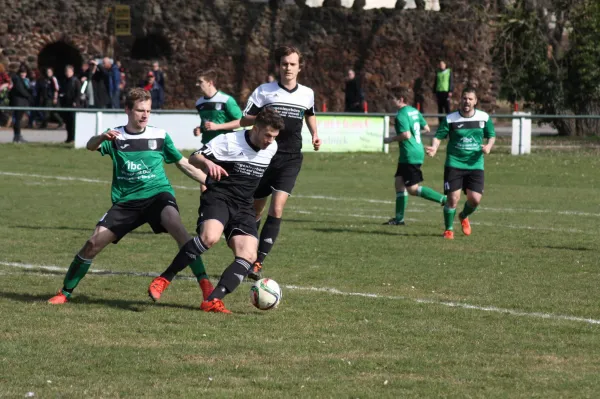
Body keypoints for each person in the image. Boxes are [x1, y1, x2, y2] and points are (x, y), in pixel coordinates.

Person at [48, 88, 214, 304]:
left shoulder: (160, 135)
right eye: (139, 110)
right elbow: (90, 146)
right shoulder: (115, 136)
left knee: (178, 228)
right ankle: (65, 292)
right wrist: (100, 137)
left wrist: (210, 183)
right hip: (127, 202)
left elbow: (183, 163)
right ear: (127, 110)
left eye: (148, 111)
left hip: (158, 195)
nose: (145, 115)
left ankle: (206, 287)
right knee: (92, 243)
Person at [147, 108, 284, 313]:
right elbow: (194, 158)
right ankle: (164, 279)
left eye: (274, 137)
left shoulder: (271, 148)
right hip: (219, 197)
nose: (270, 141)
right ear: (255, 128)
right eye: (267, 135)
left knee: (248, 256)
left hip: (244, 205)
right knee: (209, 237)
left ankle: (212, 300)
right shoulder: (229, 141)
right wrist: (208, 163)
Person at [241, 45, 321, 280]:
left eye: (292, 64)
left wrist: (315, 133)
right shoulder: (264, 91)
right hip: (264, 156)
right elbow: (246, 118)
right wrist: (262, 118)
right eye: (284, 63)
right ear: (279, 66)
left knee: (277, 207)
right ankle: (246, 254)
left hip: (290, 158)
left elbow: (310, 113)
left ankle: (257, 262)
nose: (288, 68)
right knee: (256, 209)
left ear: (299, 67)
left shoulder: (307, 93)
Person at [425, 87, 496, 240]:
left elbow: (491, 135)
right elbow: (438, 136)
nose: (467, 101)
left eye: (470, 99)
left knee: (475, 199)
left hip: (475, 164)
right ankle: (448, 230)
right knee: (452, 198)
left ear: (475, 101)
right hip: (454, 163)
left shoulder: (483, 117)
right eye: (464, 98)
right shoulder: (451, 119)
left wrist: (489, 146)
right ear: (460, 100)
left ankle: (463, 216)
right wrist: (435, 148)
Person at [383, 87, 446, 225]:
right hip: (414, 151)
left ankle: (444, 200)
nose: (390, 101)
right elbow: (426, 128)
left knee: (412, 189)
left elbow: (406, 135)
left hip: (409, 153)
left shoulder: (400, 115)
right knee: (399, 183)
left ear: (400, 99)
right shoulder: (414, 111)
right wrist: (416, 139)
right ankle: (399, 219)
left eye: (392, 98)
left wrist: (390, 139)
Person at [192, 68, 243, 192]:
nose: (197, 85)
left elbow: (241, 122)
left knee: (223, 184)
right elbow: (205, 123)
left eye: (200, 82)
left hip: (226, 147)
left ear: (210, 82)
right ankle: (205, 210)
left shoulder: (226, 100)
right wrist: (200, 129)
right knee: (204, 182)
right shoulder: (199, 103)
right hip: (209, 147)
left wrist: (218, 127)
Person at [9, 64, 33, 143]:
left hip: (22, 102)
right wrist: (29, 96)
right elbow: (20, 90)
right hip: (18, 102)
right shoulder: (17, 79)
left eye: (24, 72)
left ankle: (17, 136)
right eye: (22, 72)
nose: (23, 74)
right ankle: (17, 136)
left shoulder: (25, 80)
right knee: (17, 120)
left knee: (18, 119)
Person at [59, 65, 82, 143]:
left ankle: (73, 138)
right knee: (68, 122)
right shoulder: (65, 81)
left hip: (73, 105)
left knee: (73, 123)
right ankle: (69, 138)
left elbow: (78, 93)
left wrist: (75, 101)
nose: (67, 73)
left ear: (72, 72)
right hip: (66, 104)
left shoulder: (75, 81)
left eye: (69, 71)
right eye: (66, 72)